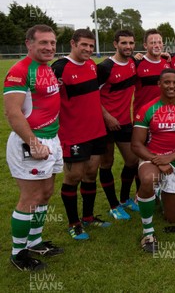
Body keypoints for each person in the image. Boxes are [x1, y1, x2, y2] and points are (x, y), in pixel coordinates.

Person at [5, 25, 64, 270]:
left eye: (52, 43)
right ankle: (18, 253)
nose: (49, 47)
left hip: (51, 139)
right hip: (31, 142)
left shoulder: (45, 67)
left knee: (46, 192)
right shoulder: (19, 71)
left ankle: (35, 241)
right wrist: (34, 143)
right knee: (30, 198)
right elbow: (13, 113)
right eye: (43, 43)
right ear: (29, 44)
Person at [131, 69, 175, 253]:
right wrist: (159, 160)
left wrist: (170, 158)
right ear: (159, 84)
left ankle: (159, 194)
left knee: (173, 218)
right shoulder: (147, 109)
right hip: (152, 159)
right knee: (148, 180)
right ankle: (148, 232)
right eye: (167, 82)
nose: (171, 86)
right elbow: (136, 145)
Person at [51, 29, 109, 240]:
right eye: (84, 45)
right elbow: (48, 99)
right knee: (74, 176)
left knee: (91, 172)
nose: (88, 49)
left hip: (96, 130)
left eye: (91, 46)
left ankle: (88, 217)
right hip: (74, 133)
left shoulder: (92, 65)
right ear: (73, 44)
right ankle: (73, 223)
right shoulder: (60, 68)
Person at [97, 30, 139, 220]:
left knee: (132, 160)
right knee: (107, 163)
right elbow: (91, 96)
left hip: (125, 122)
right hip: (104, 123)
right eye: (124, 43)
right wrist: (107, 116)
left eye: (131, 43)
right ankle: (113, 206)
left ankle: (124, 199)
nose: (128, 46)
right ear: (115, 44)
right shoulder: (105, 67)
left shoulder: (133, 63)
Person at [133, 29, 170, 116]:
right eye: (153, 43)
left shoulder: (167, 62)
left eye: (159, 42)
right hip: (143, 116)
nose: (157, 45)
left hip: (163, 116)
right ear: (145, 45)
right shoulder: (137, 63)